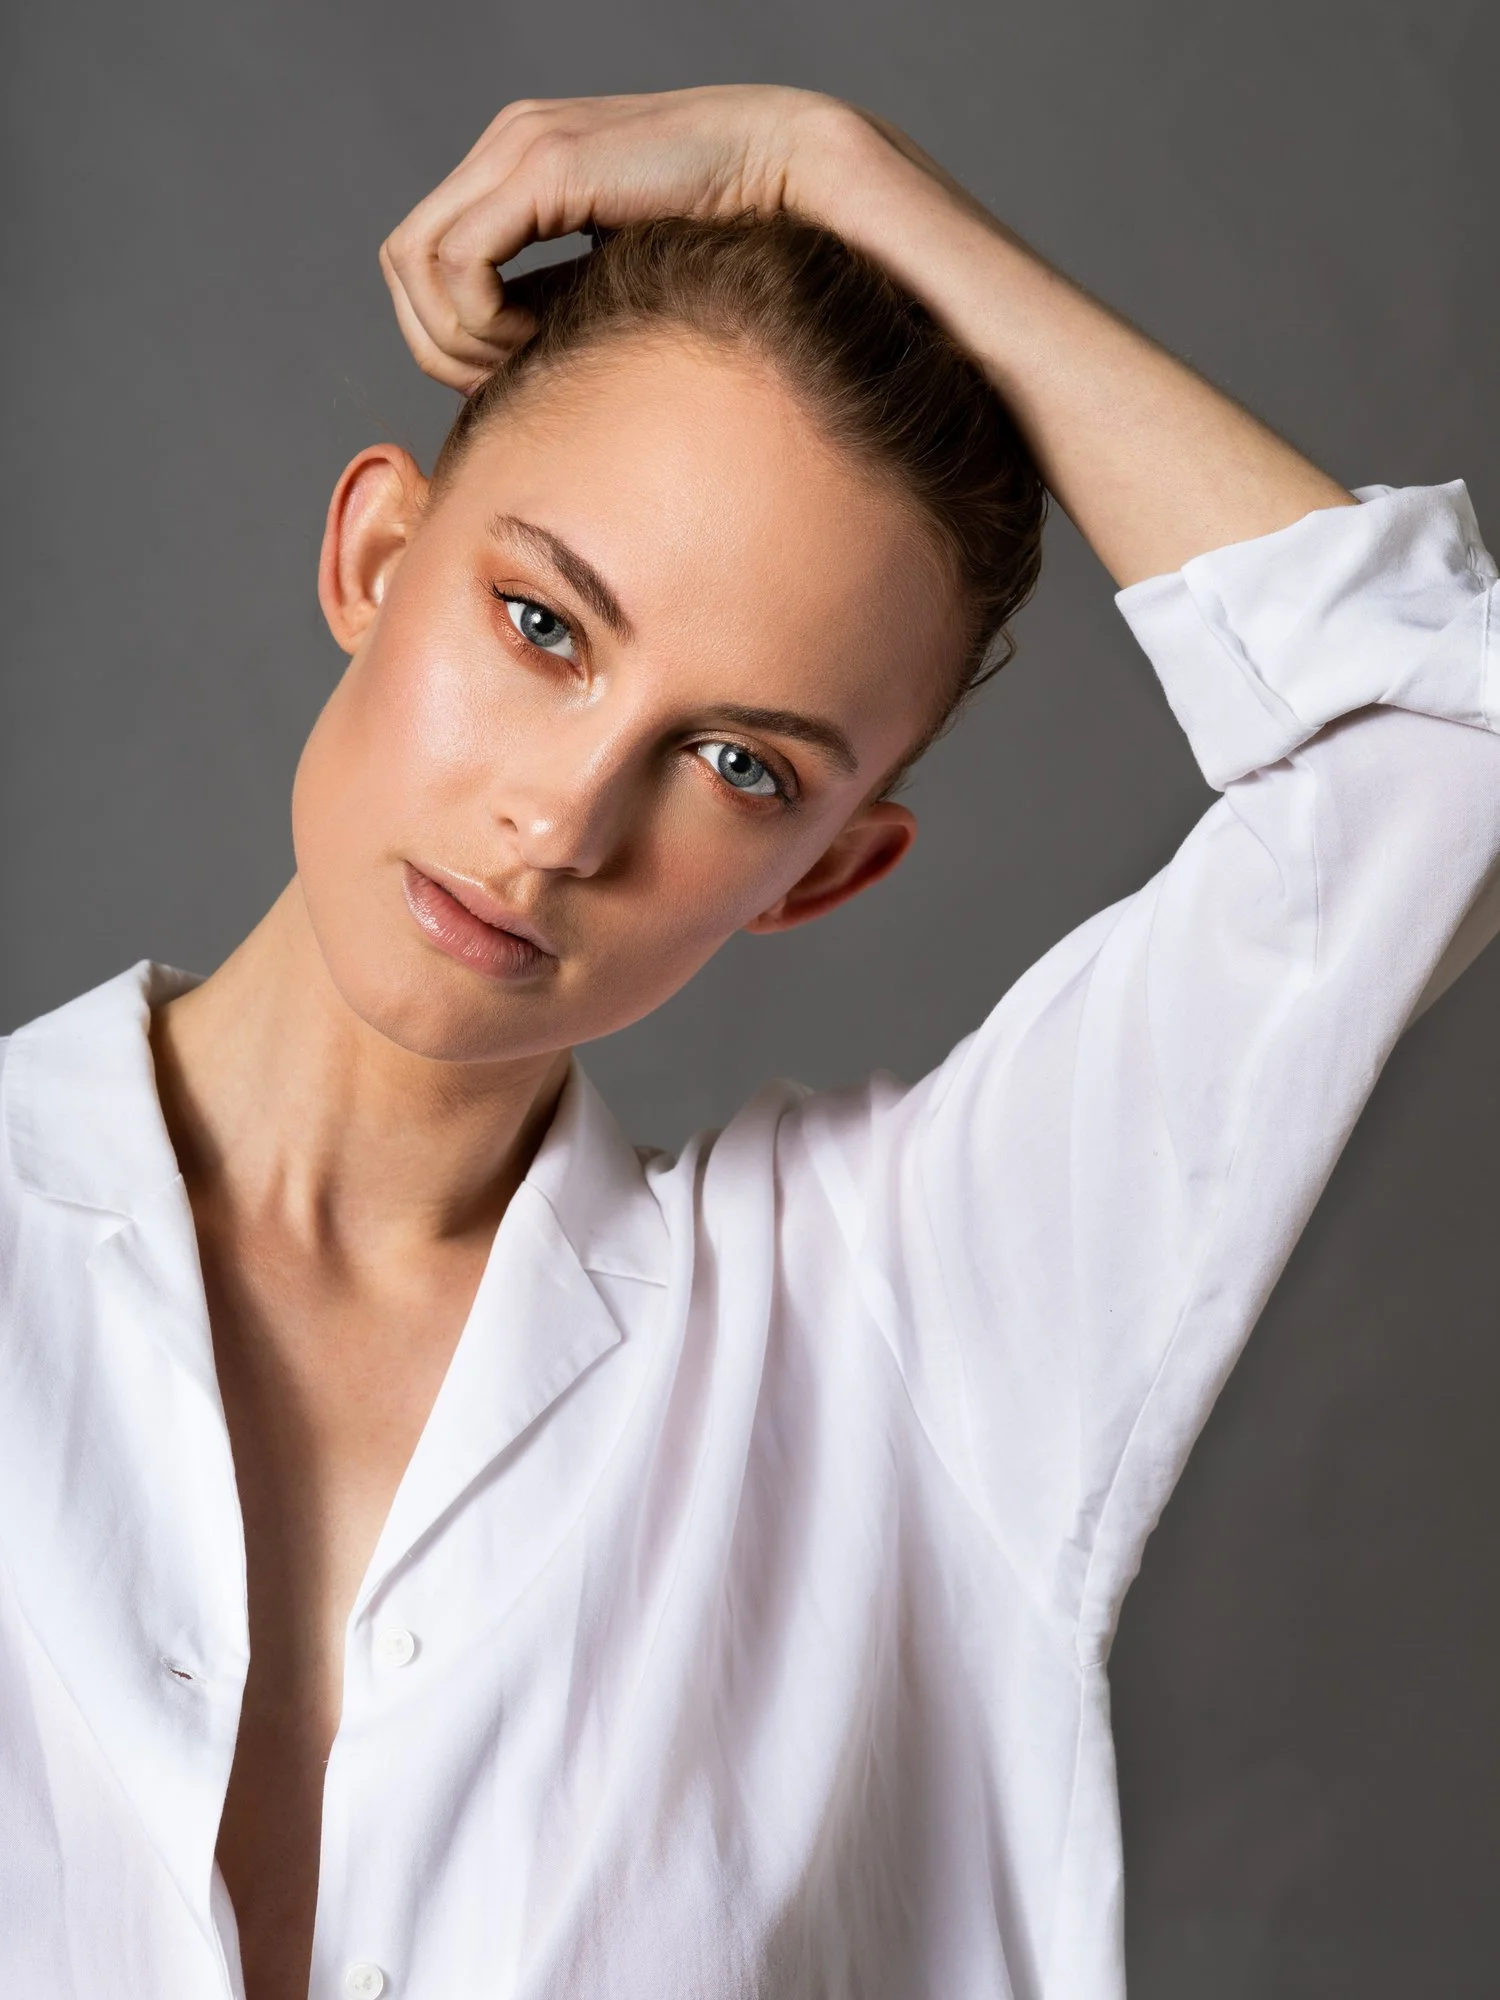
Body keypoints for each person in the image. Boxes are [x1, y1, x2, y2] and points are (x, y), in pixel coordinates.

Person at [2, 81, 1497, 2000]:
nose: (563, 820)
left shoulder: (895, 1336)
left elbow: (1434, 754)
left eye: (735, 763)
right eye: (543, 622)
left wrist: (836, 170)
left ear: (824, 871)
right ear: (377, 556)